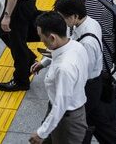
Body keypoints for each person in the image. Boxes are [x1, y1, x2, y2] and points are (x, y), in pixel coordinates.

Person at [35, 0, 116, 144]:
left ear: (74, 16)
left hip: (89, 86)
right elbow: (65, 45)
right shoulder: (83, 24)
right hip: (90, 86)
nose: (60, 22)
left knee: (78, 125)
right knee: (100, 126)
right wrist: (44, 62)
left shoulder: (87, 41)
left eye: (62, 17)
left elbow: (81, 70)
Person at [65, 0, 116, 139]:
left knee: (98, 99)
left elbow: (90, 35)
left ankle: (107, 130)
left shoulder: (89, 3)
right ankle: (112, 126)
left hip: (100, 57)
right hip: (106, 51)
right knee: (106, 95)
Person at [30, 12, 89, 144]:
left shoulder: (64, 68)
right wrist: (43, 63)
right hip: (66, 113)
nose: (41, 41)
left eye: (41, 37)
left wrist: (41, 133)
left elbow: (61, 104)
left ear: (52, 37)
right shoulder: (76, 46)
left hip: (65, 121)